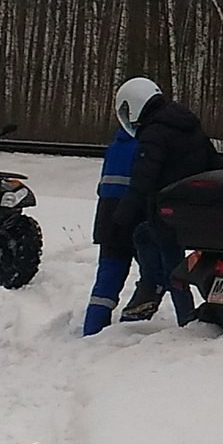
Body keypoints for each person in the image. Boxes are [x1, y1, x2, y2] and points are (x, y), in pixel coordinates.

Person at [112, 78, 223, 324]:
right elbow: (216, 164)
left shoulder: (153, 133)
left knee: (170, 262)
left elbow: (142, 179)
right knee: (144, 235)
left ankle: (182, 314)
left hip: (168, 212)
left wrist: (120, 218)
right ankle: (153, 287)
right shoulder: (188, 124)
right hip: (195, 208)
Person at [81, 115, 137, 336]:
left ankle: (92, 328)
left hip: (107, 215)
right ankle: (133, 322)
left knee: (107, 277)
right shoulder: (146, 145)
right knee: (155, 275)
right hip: (134, 214)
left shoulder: (116, 144)